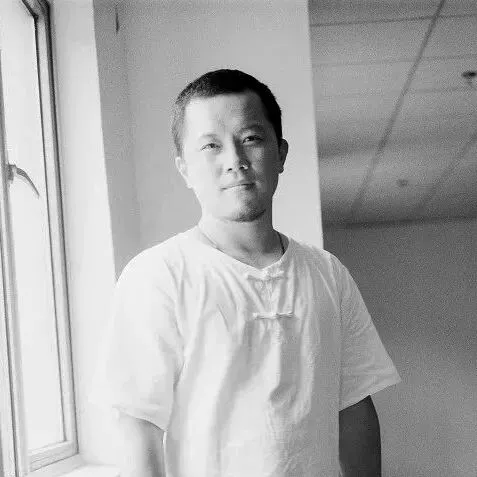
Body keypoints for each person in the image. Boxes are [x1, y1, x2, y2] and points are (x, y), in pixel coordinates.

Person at [90, 69, 401, 477]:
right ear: (184, 168)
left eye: (251, 138)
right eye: (211, 146)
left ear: (281, 153)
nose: (234, 161)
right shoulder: (158, 275)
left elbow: (355, 408)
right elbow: (138, 428)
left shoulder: (327, 273)